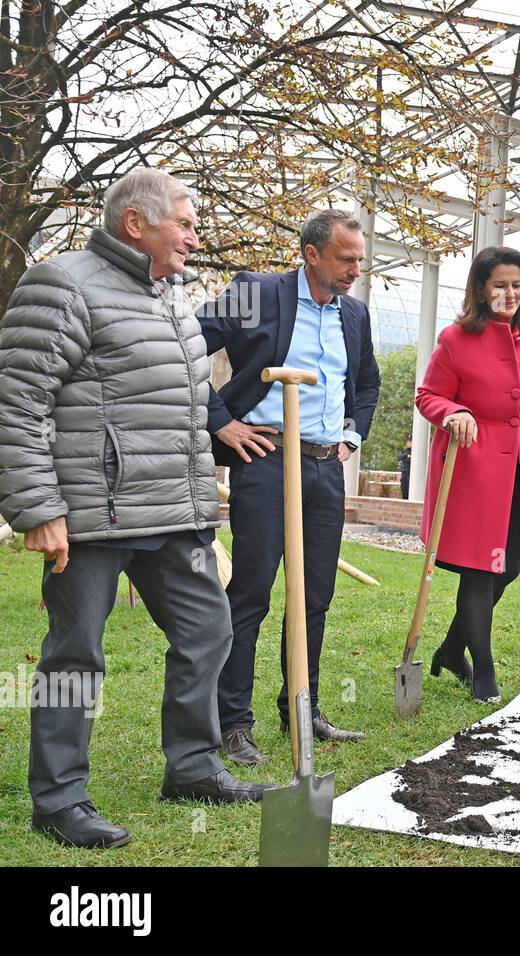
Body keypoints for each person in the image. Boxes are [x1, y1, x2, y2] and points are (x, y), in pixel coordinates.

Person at [0, 168, 272, 848]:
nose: (194, 234)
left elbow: (180, 410)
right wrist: (37, 508)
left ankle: (193, 766)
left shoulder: (172, 294)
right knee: (76, 656)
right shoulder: (62, 284)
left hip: (172, 511)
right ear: (136, 224)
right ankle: (60, 800)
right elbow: (18, 402)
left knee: (210, 631)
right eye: (184, 221)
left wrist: (201, 509)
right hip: (92, 513)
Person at [199, 208, 381, 766]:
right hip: (267, 459)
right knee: (251, 591)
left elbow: (367, 381)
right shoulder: (257, 293)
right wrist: (219, 421)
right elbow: (182, 348)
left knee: (314, 597)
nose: (356, 269)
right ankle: (233, 722)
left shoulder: (354, 313)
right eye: (345, 258)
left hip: (326, 468)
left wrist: (351, 435)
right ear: (310, 254)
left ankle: (303, 708)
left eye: (359, 259)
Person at [415, 246, 520, 704]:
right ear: (481, 288)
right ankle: (483, 672)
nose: (510, 293)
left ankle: (449, 649)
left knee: (510, 565)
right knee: (481, 571)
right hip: (474, 469)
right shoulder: (455, 339)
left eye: (517, 285)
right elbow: (428, 395)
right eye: (500, 284)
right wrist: (454, 411)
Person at [399, 435, 413, 499]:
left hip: (411, 474)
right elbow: (399, 457)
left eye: (410, 442)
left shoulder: (415, 451)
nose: (409, 443)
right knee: (404, 490)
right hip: (405, 473)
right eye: (408, 442)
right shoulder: (404, 451)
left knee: (410, 491)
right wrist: (405, 455)